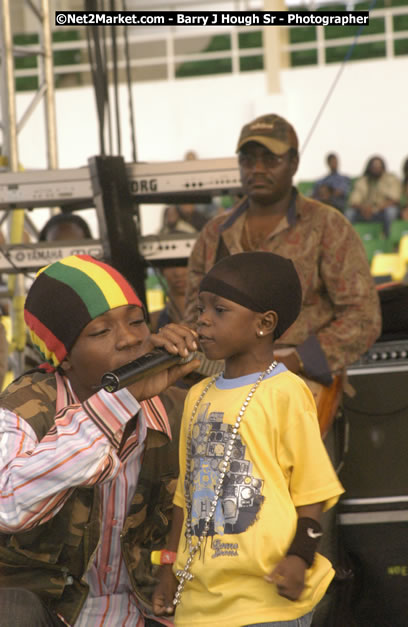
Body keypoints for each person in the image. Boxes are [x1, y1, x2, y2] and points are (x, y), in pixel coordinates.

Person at [0, 254, 200, 627]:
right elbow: (8, 506)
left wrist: (198, 353)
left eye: (137, 321)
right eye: (100, 332)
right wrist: (116, 404)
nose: (129, 340)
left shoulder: (179, 407)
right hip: (53, 612)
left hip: (144, 609)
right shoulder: (24, 408)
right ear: (66, 360)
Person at [152, 251, 345, 626]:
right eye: (200, 308)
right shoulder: (198, 395)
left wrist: (300, 557)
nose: (203, 319)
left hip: (264, 601)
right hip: (199, 604)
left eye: (219, 310)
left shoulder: (285, 392)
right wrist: (168, 566)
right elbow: (185, 495)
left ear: (264, 323)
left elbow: (313, 489)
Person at [183, 113, 381, 390]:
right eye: (248, 159)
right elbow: (194, 317)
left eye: (271, 159)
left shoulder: (328, 225)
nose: (258, 169)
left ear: (294, 163)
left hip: (300, 377)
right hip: (222, 377)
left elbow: (363, 316)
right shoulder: (213, 233)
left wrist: (298, 360)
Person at [346, 155, 402, 236]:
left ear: (383, 167)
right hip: (365, 212)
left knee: (392, 211)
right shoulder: (362, 181)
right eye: (374, 167)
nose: (376, 169)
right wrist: (364, 208)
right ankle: (349, 240)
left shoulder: (391, 179)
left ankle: (389, 238)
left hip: (382, 211)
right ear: (369, 168)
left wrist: (376, 209)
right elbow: (353, 201)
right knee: (350, 213)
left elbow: (394, 199)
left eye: (379, 166)